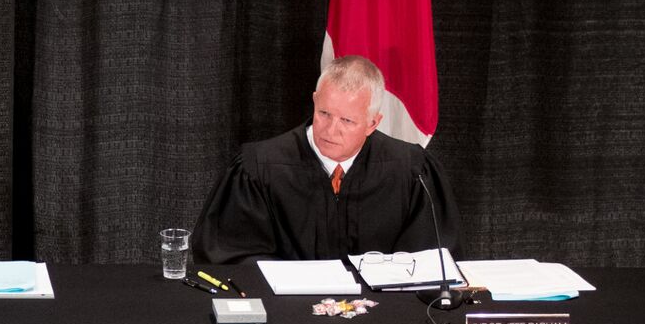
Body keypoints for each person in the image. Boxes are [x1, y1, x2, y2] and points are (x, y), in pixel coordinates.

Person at [193, 54, 459, 265]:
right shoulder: (258, 168)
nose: (331, 130)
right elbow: (231, 256)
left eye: (347, 120)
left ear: (372, 123)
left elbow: (431, 259)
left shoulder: (410, 170)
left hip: (381, 320)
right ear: (314, 100)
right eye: (324, 113)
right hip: (287, 318)